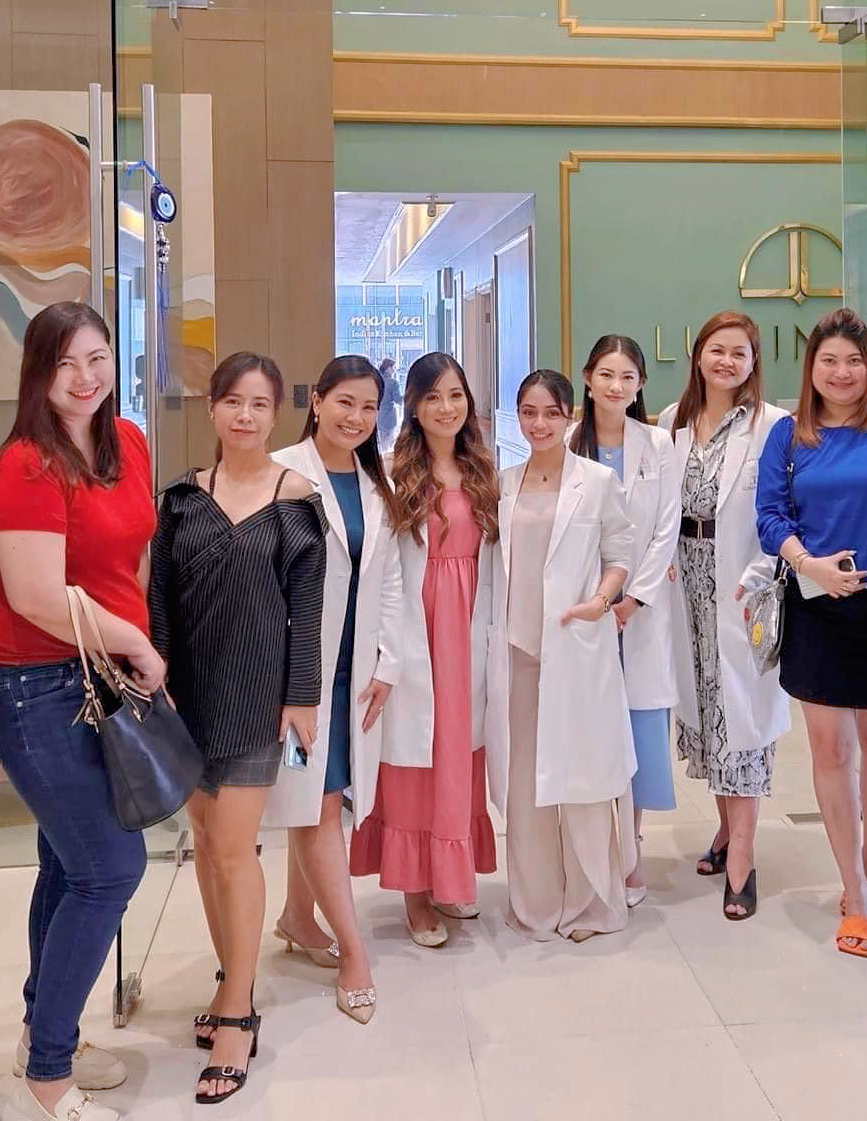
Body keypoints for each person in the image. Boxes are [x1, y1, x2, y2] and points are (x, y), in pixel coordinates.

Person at [0, 303, 163, 1121]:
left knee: (67, 865)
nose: (85, 378)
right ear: (38, 373)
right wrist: (138, 642)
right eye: (65, 364)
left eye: (97, 358)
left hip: (103, 676)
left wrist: (131, 646)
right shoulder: (25, 464)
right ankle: (50, 1074)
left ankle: (42, 1034)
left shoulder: (126, 440)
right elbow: (34, 596)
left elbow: (127, 557)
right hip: (37, 686)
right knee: (110, 870)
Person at [150, 352, 327, 1103]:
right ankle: (233, 980)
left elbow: (307, 611)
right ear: (213, 408)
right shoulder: (181, 499)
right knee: (206, 843)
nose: (245, 416)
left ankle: (237, 1011)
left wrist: (302, 697)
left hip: (257, 694)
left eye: (259, 404)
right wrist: (156, 679)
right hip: (185, 695)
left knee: (232, 847)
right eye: (233, 402)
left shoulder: (297, 500)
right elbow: (158, 599)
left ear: (276, 412)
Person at [758, 307, 867, 954]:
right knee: (830, 751)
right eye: (828, 360)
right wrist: (810, 564)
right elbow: (769, 515)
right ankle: (853, 894)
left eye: (853, 361)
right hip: (817, 605)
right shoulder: (790, 434)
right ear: (811, 368)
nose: (841, 372)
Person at [262, 355, 402, 1027]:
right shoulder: (281, 474)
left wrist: (389, 663)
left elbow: (392, 580)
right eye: (344, 402)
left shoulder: (378, 482)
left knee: (320, 797)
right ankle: (354, 954)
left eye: (370, 407)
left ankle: (298, 915)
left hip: (354, 677)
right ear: (316, 401)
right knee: (315, 802)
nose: (357, 417)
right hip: (297, 681)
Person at [350, 352, 501, 945]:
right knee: (415, 758)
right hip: (417, 634)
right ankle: (415, 894)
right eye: (432, 396)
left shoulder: (484, 471)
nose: (446, 407)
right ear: (412, 405)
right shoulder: (393, 476)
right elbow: (382, 574)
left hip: (467, 636)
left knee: (458, 755)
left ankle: (448, 877)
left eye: (456, 394)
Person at [487, 370, 639, 941]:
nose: (539, 424)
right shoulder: (503, 483)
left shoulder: (596, 482)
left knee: (582, 777)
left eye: (551, 412)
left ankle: (593, 905)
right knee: (526, 782)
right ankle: (535, 903)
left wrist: (601, 602)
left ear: (570, 416)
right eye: (529, 412)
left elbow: (620, 554)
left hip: (577, 647)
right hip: (518, 651)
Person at [658, 312, 789, 920]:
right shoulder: (673, 421)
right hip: (684, 583)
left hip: (742, 583)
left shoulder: (772, 425)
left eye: (740, 353)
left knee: (742, 718)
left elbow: (782, 508)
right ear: (699, 355)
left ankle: (743, 856)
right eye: (717, 349)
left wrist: (763, 573)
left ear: (753, 362)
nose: (727, 362)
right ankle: (723, 829)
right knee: (705, 709)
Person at [567, 334, 679, 902]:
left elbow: (665, 529)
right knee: (588, 729)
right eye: (606, 375)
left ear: (640, 386)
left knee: (638, 728)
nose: (616, 386)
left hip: (638, 613)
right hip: (581, 606)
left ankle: (631, 850)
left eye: (627, 377)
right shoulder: (566, 441)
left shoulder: (657, 443)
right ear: (588, 378)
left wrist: (632, 600)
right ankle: (589, 852)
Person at [376, 357, 402, 448]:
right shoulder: (393, 382)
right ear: (388, 368)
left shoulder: (376, 381)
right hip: (389, 419)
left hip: (378, 418)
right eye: (393, 367)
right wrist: (409, 395)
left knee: (380, 444)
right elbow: (398, 400)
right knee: (388, 446)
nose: (394, 370)